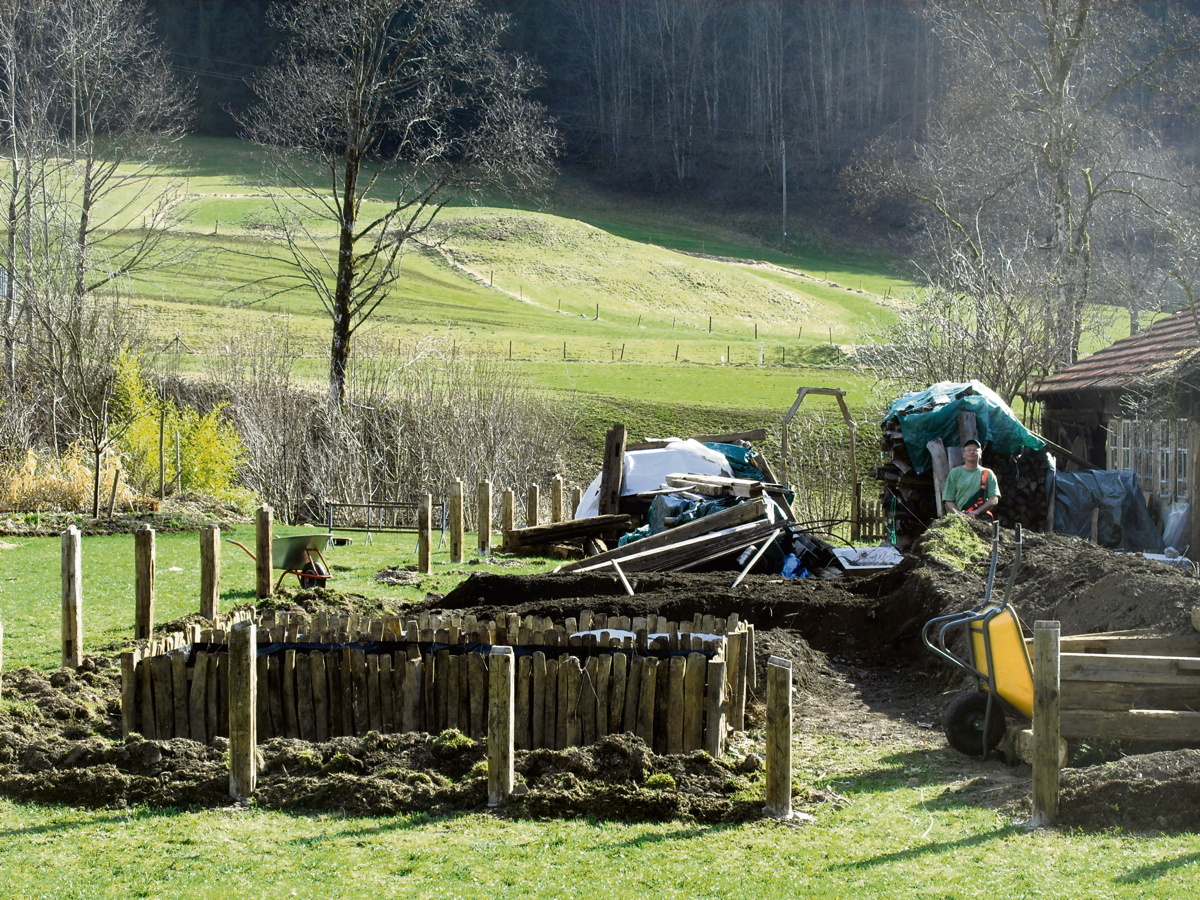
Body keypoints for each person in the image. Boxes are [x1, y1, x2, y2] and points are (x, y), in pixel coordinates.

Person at [942, 437, 999, 518]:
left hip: (981, 517)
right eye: (968, 450)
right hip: (959, 518)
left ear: (980, 454)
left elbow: (994, 499)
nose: (972, 452)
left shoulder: (988, 473)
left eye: (975, 450)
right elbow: (948, 499)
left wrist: (976, 512)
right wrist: (958, 514)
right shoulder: (955, 473)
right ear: (964, 454)